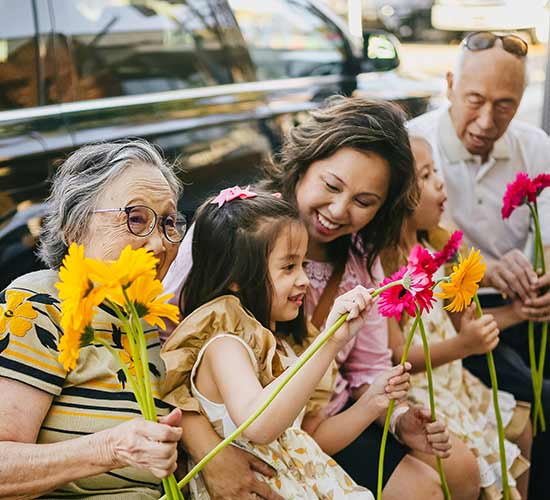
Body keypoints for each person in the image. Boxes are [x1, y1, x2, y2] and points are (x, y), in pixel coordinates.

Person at [164, 97, 462, 499]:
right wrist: (207, 452)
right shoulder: (235, 231)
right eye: (332, 186)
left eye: (364, 202)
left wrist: (398, 420)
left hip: (318, 426)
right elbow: (163, 351)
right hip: (239, 433)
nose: (339, 210)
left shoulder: (360, 260)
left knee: (459, 471)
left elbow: (369, 369)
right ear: (304, 165)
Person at [162, 189, 405, 498]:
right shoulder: (224, 346)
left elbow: (304, 441)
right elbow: (260, 425)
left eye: (302, 264)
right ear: (235, 277)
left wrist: (371, 403)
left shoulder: (282, 348)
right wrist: (330, 342)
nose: (303, 279)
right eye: (289, 267)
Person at [407, 31, 550, 499]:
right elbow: (430, 252)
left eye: (505, 105)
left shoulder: (535, 145)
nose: (488, 120)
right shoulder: (417, 149)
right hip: (457, 313)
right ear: (449, 85)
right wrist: (487, 269)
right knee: (537, 395)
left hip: (524, 300)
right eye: (475, 100)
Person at [0, 141, 185, 498]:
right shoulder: (39, 305)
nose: (161, 244)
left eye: (168, 223)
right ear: (74, 228)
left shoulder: (152, 318)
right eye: (136, 218)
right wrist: (109, 449)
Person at [382, 136, 532, 499]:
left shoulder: (435, 249)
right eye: (426, 175)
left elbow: (453, 321)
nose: (439, 183)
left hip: (453, 380)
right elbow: (396, 356)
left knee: (523, 429)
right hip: (426, 392)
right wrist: (463, 344)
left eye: (437, 171)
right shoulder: (387, 268)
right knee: (480, 466)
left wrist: (474, 316)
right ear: (398, 194)